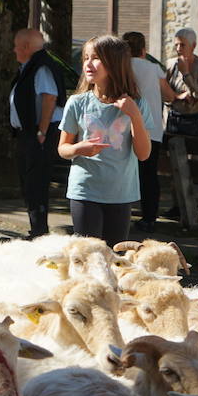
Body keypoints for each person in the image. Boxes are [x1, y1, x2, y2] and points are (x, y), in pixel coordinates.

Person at [58, 35, 153, 245]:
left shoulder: (137, 104)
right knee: (88, 258)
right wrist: (78, 149)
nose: (88, 64)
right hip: (85, 191)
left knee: (114, 258)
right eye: (85, 58)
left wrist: (134, 115)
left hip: (120, 194)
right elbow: (62, 149)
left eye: (95, 58)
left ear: (114, 63)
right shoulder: (77, 103)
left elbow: (144, 154)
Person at [8, 28, 64, 238]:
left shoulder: (41, 67)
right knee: (29, 180)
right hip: (30, 132)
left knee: (36, 181)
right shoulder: (31, 66)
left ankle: (40, 230)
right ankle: (36, 227)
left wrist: (41, 130)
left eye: (16, 46)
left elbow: (50, 97)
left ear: (25, 47)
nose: (14, 50)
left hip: (40, 133)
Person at [122, 31, 175, 233]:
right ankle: (149, 217)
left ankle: (123, 211)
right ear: (143, 50)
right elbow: (168, 94)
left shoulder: (121, 67)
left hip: (124, 128)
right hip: (151, 128)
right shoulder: (154, 68)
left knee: (124, 172)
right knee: (149, 175)